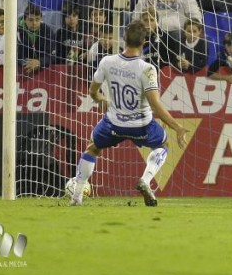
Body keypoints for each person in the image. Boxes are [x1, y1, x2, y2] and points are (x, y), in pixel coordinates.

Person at [69, 21, 189, 207]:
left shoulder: (107, 62)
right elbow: (155, 105)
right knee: (162, 145)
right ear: (144, 42)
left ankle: (76, 197)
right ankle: (146, 180)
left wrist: (101, 100)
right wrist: (178, 127)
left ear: (124, 39)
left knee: (92, 148)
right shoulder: (147, 69)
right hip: (142, 126)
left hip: (113, 124)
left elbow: (93, 91)